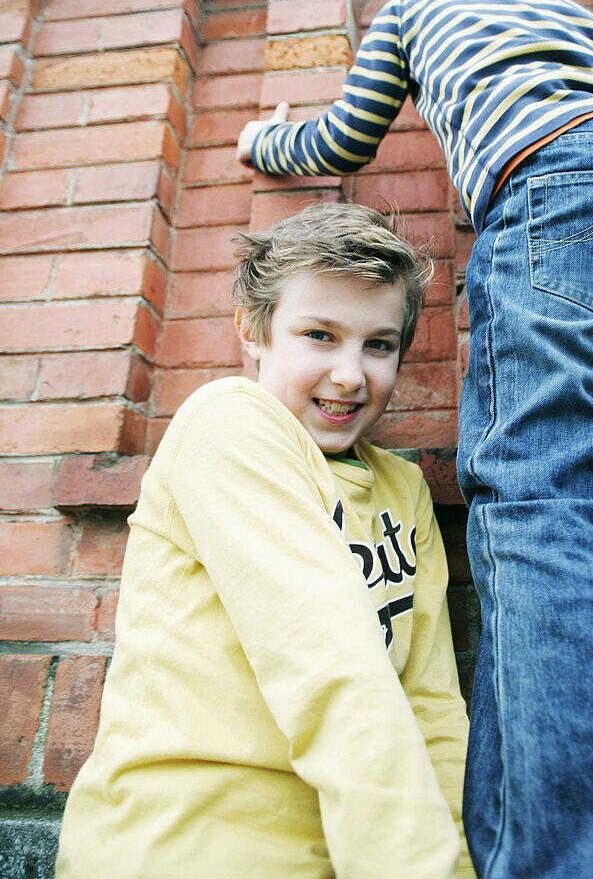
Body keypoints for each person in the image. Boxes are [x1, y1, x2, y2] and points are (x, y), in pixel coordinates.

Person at [237, 0, 593, 879]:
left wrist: (266, 139)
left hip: (543, 191)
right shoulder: (581, 23)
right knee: (551, 481)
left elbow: (349, 131)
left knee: (520, 491)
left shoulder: (419, 7)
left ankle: (571, 848)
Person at [55, 202, 476, 878]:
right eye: (318, 334)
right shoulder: (229, 424)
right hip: (183, 849)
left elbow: (429, 704)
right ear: (252, 330)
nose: (349, 374)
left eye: (377, 344)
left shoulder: (401, 490)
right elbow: (329, 664)